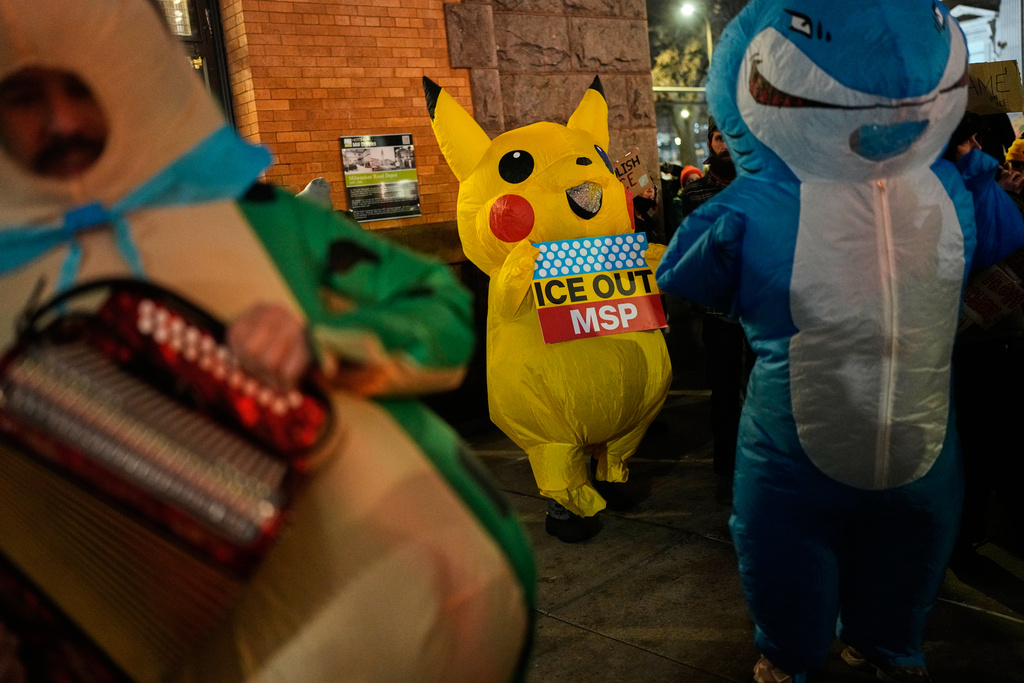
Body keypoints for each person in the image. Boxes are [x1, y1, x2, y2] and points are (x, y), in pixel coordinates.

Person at [0, 2, 533, 682]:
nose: (64, 121)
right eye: (23, 97)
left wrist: (326, 342)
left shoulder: (265, 223)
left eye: (84, 84)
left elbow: (443, 311)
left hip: (396, 608)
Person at [656, 2, 1024, 682]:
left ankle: (885, 641)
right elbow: (691, 267)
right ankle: (794, 650)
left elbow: (689, 272)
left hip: (922, 444)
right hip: (800, 448)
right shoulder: (765, 202)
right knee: (786, 552)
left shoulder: (952, 189)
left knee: (909, 557)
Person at [673, 116, 753, 506]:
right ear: (710, 143)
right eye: (719, 138)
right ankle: (726, 460)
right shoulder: (695, 194)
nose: (725, 145)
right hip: (718, 309)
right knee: (722, 388)